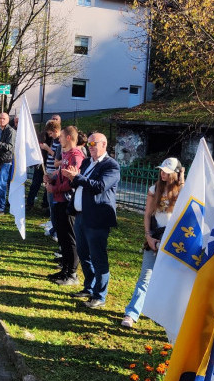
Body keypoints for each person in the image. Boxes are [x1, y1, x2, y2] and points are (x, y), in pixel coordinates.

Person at [121, 158, 185, 327]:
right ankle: (131, 314)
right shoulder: (154, 188)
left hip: (174, 241)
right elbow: (148, 214)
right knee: (145, 277)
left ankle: (164, 316)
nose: (163, 174)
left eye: (167, 172)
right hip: (155, 237)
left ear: (175, 174)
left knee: (170, 280)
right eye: (162, 171)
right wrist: (148, 237)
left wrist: (183, 181)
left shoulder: (183, 190)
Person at [64, 132, 120, 308]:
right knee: (83, 254)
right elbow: (81, 184)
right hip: (81, 215)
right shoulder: (88, 162)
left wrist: (78, 178)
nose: (91, 147)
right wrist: (72, 178)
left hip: (97, 218)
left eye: (94, 144)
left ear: (104, 144)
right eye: (88, 144)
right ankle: (89, 287)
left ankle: (99, 295)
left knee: (98, 257)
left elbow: (100, 187)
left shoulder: (111, 165)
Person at [44, 126, 85, 286]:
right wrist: (51, 178)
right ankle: (64, 269)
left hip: (68, 202)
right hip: (58, 200)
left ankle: (72, 273)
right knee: (61, 236)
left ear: (68, 138)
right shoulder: (66, 155)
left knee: (70, 238)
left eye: (61, 137)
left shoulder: (76, 156)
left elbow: (71, 182)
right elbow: (62, 175)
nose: (58, 139)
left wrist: (53, 188)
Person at [28, 120, 61, 211]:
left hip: (54, 171)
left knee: (51, 194)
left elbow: (58, 157)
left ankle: (50, 212)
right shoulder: (54, 140)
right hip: (48, 169)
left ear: (56, 131)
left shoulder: (60, 142)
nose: (50, 135)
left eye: (51, 133)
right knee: (47, 191)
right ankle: (49, 211)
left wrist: (47, 148)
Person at [0, 112, 16, 215]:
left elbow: (10, 147)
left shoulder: (11, 131)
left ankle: (1, 208)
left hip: (4, 161)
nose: (1, 120)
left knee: (1, 185)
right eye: (0, 118)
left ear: (8, 120)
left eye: (4, 118)